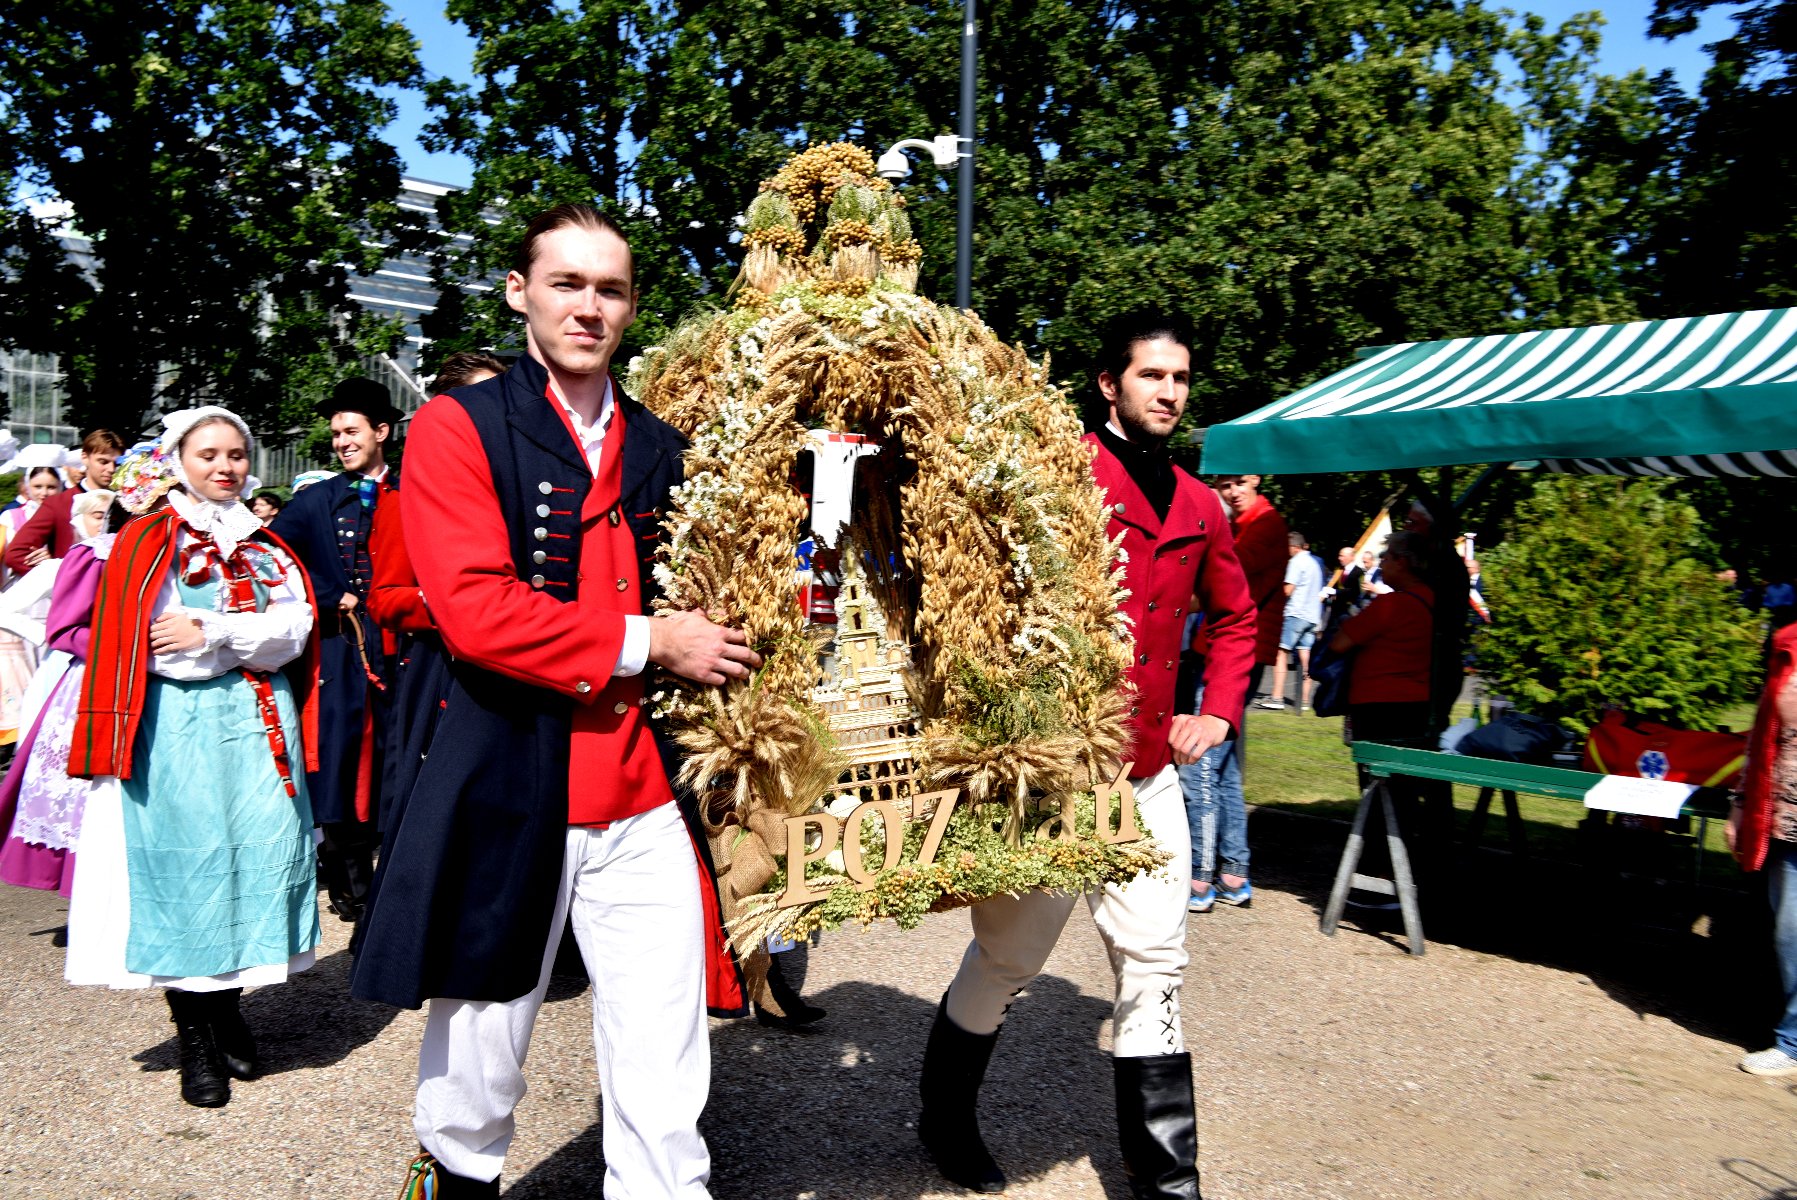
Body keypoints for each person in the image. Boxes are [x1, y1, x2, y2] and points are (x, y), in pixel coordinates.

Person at [351, 204, 753, 1199]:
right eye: (566, 284)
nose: (588, 307)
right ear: (519, 291)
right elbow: (480, 611)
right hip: (507, 776)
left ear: (630, 307)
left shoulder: (664, 443)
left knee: (665, 1063)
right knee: (478, 1057)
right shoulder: (458, 426)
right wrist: (653, 642)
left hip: (643, 793)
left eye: (609, 289)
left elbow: (705, 590)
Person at [918, 315, 1255, 1200]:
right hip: (1054, 779)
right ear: (1110, 383)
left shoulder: (1197, 503)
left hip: (1147, 776)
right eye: (1151, 375)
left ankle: (1166, 1181)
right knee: (1009, 961)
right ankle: (945, 1118)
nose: (1169, 392)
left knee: (1154, 964)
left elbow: (1236, 617)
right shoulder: (1050, 474)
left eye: (1180, 378)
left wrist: (1216, 713)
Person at [62, 412, 322, 1110]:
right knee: (188, 870)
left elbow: (293, 630)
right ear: (179, 460)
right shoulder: (147, 541)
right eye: (209, 454)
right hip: (173, 731)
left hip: (257, 727)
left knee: (251, 865)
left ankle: (228, 1006)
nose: (226, 466)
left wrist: (215, 628)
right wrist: (239, 638)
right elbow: (156, 647)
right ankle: (196, 1038)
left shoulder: (265, 542)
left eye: (237, 455)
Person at [271, 378, 404, 923]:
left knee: (397, 762)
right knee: (342, 763)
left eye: (351, 431)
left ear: (381, 432)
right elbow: (271, 557)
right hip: (339, 655)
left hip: (405, 650)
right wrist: (328, 594)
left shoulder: (415, 492)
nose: (341, 442)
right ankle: (354, 886)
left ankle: (394, 882)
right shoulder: (314, 501)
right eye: (335, 434)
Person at [0, 489, 115, 895]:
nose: (103, 519)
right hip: (70, 671)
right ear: (78, 520)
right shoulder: (67, 563)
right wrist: (50, 638)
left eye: (108, 512)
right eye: (97, 513)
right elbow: (7, 609)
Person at [1732, 620, 1797, 1076]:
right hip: (1783, 820)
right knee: (1787, 935)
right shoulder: (1787, 650)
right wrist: (1739, 804)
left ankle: (1791, 1043)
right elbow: (1759, 739)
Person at [1329, 531, 1436, 748]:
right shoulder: (1432, 600)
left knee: (1376, 777)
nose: (1381, 564)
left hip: (1377, 704)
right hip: (1418, 703)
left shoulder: (1390, 605)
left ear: (1402, 562)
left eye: (1385, 558)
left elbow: (1338, 644)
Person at [2, 429, 123, 573]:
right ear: (85, 457)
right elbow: (16, 555)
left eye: (116, 463)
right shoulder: (58, 503)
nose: (111, 469)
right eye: (103, 461)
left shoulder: (124, 505)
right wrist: (54, 572)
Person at [1215, 474, 1288, 703]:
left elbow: (1229, 572)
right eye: (1226, 486)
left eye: (1240, 483)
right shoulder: (1239, 524)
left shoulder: (1266, 523)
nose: (1234, 492)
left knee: (1213, 723)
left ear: (1255, 479)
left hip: (1241, 641)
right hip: (1232, 639)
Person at [1261, 531, 1324, 712]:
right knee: (1305, 657)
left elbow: (1288, 590)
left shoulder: (1296, 562)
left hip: (1296, 613)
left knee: (1281, 653)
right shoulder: (1314, 563)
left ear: (1293, 547)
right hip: (1312, 616)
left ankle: (1277, 697)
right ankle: (1303, 701)